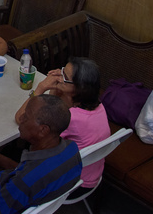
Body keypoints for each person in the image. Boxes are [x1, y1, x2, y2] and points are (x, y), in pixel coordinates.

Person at [16, 57, 109, 190]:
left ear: (78, 89)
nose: (59, 76)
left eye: (64, 76)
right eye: (63, 70)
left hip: (74, 181)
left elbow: (20, 118)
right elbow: (53, 105)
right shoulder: (98, 105)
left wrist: (41, 87)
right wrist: (59, 87)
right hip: (91, 174)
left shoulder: (72, 118)